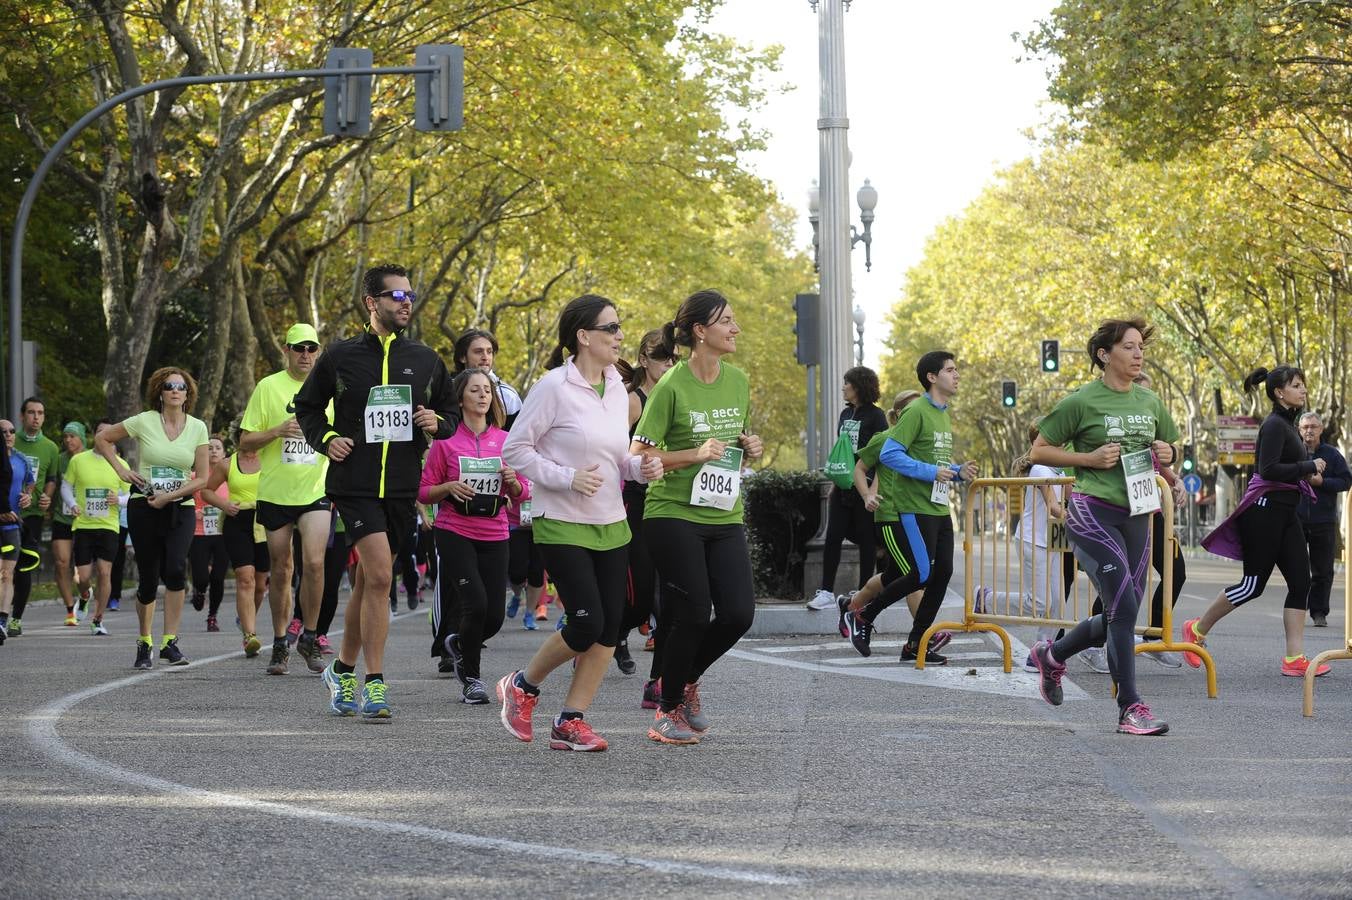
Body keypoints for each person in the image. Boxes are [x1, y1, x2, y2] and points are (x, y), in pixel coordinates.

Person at [497, 294, 663, 751]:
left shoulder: (617, 388)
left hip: (612, 520)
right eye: (611, 328)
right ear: (583, 336)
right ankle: (522, 687)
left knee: (611, 627)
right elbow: (515, 451)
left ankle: (570, 720)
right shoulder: (552, 387)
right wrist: (565, 477)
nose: (620, 335)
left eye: (620, 326)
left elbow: (617, 457)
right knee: (587, 621)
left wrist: (639, 468)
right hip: (562, 520)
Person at [296, 264, 460, 720]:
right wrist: (327, 439)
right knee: (382, 577)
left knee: (370, 580)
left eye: (410, 295)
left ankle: (341, 669)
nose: (406, 302)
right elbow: (307, 408)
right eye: (396, 296)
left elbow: (449, 411)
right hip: (355, 485)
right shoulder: (341, 356)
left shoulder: (426, 359)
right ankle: (375, 683)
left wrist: (437, 423)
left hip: (402, 486)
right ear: (372, 303)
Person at [1026, 319, 1179, 736]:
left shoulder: (1150, 400)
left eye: (1140, 347)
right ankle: (1130, 707)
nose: (1138, 354)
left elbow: (1171, 452)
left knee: (1121, 613)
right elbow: (1038, 450)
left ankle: (1053, 654)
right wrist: (1089, 460)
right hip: (1093, 512)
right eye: (1128, 347)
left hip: (1139, 514)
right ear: (1104, 355)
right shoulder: (1082, 401)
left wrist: (1170, 455)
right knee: (1125, 609)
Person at [631, 289, 762, 745]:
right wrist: (694, 453)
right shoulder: (671, 385)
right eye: (727, 321)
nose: (736, 328)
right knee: (690, 609)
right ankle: (665, 711)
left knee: (738, 613)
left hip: (724, 511)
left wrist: (750, 450)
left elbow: (732, 446)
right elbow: (640, 454)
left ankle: (685, 683)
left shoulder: (739, 380)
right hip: (671, 511)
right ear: (700, 332)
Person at [1189, 367, 1332, 677]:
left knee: (1301, 582)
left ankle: (1294, 658)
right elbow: (1267, 470)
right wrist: (1307, 464)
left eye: (1302, 385)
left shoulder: (1289, 425)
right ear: (1279, 392)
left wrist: (1307, 472)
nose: (1303, 390)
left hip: (1286, 512)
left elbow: (1286, 467)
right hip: (1264, 513)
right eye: (1296, 386)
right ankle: (1197, 630)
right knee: (1252, 585)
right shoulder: (1273, 425)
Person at [840, 352, 978, 667]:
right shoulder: (916, 411)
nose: (957, 375)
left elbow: (934, 461)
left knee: (943, 572)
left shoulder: (943, 413)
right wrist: (931, 472)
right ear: (932, 377)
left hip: (938, 506)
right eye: (950, 370)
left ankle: (916, 644)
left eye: (957, 370)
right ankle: (862, 616)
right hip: (913, 508)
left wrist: (957, 471)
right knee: (920, 573)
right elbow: (889, 454)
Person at [420, 367, 527, 703]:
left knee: (493, 616)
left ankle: (459, 643)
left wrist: (513, 482)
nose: (483, 395)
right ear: (461, 398)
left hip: (496, 532)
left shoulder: (506, 442)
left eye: (487, 390)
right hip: (455, 531)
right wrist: (448, 487)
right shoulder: (445, 441)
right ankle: (473, 680)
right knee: (476, 604)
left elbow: (523, 492)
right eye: (475, 390)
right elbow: (423, 492)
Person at [96, 367, 211, 669]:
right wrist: (122, 471)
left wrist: (169, 497)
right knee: (148, 579)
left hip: (180, 507)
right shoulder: (144, 421)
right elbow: (103, 439)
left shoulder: (198, 427)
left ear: (188, 394)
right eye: (169, 386)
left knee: (175, 569)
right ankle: (144, 641)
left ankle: (169, 642)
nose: (175, 390)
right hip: (143, 505)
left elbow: (203, 478)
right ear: (160, 392)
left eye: (181, 387)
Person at [239, 323, 332, 676]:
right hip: (276, 493)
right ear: (286, 351)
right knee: (281, 569)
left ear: (319, 351)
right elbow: (245, 442)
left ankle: (309, 635)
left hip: (315, 489)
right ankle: (280, 642)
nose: (305, 354)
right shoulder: (268, 387)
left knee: (315, 563)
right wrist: (278, 430)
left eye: (311, 348)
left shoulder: (329, 387)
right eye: (299, 348)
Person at [973, 421, 1066, 669]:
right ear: (1041, 442)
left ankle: (1040, 652)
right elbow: (1055, 507)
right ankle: (986, 600)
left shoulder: (1060, 468)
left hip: (1053, 541)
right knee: (1039, 604)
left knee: (1056, 602)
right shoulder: (1040, 470)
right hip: (1032, 540)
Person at [620, 329, 677, 681]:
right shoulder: (633, 400)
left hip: (672, 503)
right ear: (644, 359)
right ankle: (610, 637)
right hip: (636, 501)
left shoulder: (677, 396)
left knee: (670, 592)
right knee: (641, 596)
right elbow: (614, 448)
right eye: (662, 357)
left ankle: (659, 681)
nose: (670, 363)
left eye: (674, 358)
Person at [808, 366, 889, 611]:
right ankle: (826, 592)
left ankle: (863, 592)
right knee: (832, 536)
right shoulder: (845, 415)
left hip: (864, 486)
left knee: (866, 540)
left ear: (859, 386)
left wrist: (873, 489)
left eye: (847, 383)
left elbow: (882, 454)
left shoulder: (877, 416)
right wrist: (835, 482)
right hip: (843, 485)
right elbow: (842, 450)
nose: (843, 387)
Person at [202, 440, 269, 659]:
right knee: (245, 578)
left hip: (265, 521)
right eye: (246, 434)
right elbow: (207, 492)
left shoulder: (271, 459)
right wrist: (224, 505)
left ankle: (245, 618)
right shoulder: (226, 464)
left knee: (260, 585)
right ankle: (250, 635)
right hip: (237, 520)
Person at [61, 419, 128, 636]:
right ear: (95, 436)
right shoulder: (79, 461)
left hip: (109, 526)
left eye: (109, 432)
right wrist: (72, 504)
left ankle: (98, 620)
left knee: (104, 572)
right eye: (100, 432)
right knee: (82, 576)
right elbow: (65, 486)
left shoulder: (121, 464)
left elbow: (131, 494)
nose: (104, 435)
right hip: (83, 525)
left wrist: (118, 500)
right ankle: (85, 595)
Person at [10, 398, 59, 636]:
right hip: (7, 513)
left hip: (33, 515)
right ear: (22, 416)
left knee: (23, 567)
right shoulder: (9, 440)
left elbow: (52, 478)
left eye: (40, 413)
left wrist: (47, 497)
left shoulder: (50, 447)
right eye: (31, 413)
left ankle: (16, 619)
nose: (36, 417)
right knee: (4, 566)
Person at [1296, 411, 1350, 628]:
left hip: (1323, 520)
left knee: (1323, 570)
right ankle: (1296, 610)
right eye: (1305, 427)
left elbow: (1346, 481)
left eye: (1313, 426)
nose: (1309, 430)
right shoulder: (1293, 452)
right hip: (1295, 520)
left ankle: (1319, 612)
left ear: (1320, 429)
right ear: (1299, 430)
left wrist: (1322, 483)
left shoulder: (1333, 455)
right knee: (1297, 568)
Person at [188, 436, 229, 630]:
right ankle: (199, 589)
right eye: (210, 448)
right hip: (199, 531)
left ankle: (212, 616)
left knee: (218, 577)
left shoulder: (231, 476)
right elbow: (183, 499)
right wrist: (193, 511)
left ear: (224, 453)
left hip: (223, 532)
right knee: (201, 576)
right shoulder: (195, 476)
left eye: (217, 448)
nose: (213, 451)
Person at [0, 420, 36, 642]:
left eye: (12, 431)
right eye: (2, 432)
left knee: (7, 574)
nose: (8, 435)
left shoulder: (21, 459)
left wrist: (27, 497)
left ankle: (2, 622)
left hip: (12, 526)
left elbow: (29, 485)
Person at [454, 328, 524, 428]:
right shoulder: (448, 390)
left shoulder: (507, 395)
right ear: (462, 357)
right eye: (478, 351)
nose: (485, 357)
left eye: (489, 352)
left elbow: (517, 437)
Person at [52, 424, 86, 625]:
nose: (68, 440)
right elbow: (52, 483)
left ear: (81, 438)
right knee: (61, 563)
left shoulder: (89, 458)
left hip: (85, 520)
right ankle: (69, 610)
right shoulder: (59, 459)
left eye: (72, 436)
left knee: (83, 570)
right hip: (62, 517)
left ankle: (84, 597)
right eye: (65, 436)